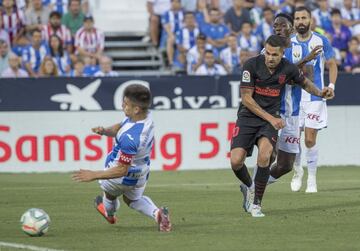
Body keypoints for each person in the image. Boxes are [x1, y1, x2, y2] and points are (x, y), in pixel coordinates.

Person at [230, 34, 334, 217]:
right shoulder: (251, 65)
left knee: (265, 156)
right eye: (268, 53)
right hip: (248, 117)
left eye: (275, 55)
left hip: (271, 119)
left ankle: (256, 205)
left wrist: (320, 92)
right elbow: (246, 98)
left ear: (282, 54)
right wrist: (271, 119)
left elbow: (305, 83)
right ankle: (251, 187)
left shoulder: (288, 68)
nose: (270, 58)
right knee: (236, 161)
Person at [72, 84, 172, 232]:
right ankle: (157, 214)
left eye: (125, 104)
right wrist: (105, 131)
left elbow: (121, 169)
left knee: (110, 196)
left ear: (136, 108)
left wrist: (94, 175)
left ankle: (110, 215)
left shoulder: (130, 138)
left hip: (121, 176)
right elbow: (121, 125)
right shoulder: (146, 117)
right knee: (132, 199)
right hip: (142, 172)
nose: (122, 106)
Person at [290, 6, 338, 193]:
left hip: (315, 96)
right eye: (297, 18)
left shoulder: (321, 40)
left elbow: (332, 65)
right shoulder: (288, 42)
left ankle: (311, 178)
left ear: (311, 20)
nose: (300, 21)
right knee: (294, 139)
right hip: (294, 97)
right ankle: (297, 171)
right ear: (294, 21)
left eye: (304, 18)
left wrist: (331, 87)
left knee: (309, 140)